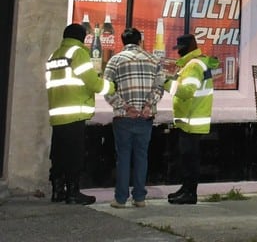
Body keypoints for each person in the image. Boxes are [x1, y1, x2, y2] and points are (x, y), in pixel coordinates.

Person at [45, 23, 115, 205]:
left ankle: (57, 191)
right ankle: (73, 193)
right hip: (74, 113)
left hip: (57, 114)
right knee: (74, 155)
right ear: (81, 37)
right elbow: (92, 82)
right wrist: (111, 87)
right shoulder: (78, 53)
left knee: (58, 154)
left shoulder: (55, 55)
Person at [103, 27, 165, 208]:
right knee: (141, 157)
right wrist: (148, 106)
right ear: (140, 41)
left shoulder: (115, 60)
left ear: (123, 42)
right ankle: (139, 198)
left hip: (123, 118)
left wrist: (124, 106)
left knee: (123, 158)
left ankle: (120, 199)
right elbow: (159, 87)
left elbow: (106, 89)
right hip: (145, 118)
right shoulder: (154, 60)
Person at [164, 34, 219, 204]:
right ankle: (186, 189)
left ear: (187, 48)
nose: (178, 52)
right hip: (190, 119)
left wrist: (165, 83)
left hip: (192, 120)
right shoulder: (193, 63)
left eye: (180, 49)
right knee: (187, 158)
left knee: (190, 159)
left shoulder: (194, 65)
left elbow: (187, 92)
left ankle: (190, 193)